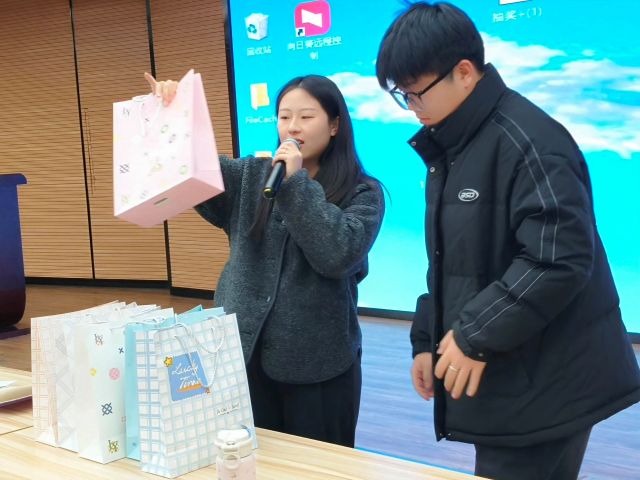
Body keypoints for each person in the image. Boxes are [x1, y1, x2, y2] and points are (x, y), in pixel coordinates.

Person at [375, 2, 640, 479]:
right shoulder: (455, 145)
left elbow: (557, 259)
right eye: (402, 95)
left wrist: (473, 335)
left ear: (464, 72)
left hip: (550, 382)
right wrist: (426, 340)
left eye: (415, 93)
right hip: (516, 371)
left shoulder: (530, 140)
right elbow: (452, 261)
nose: (411, 106)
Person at [147, 73, 385, 447]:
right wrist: (174, 114)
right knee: (251, 458)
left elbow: (337, 255)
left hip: (318, 368)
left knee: (316, 466)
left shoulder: (363, 193)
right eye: (284, 116)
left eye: (306, 117)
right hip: (241, 359)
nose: (293, 127)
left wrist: (295, 182)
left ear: (335, 125)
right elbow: (193, 170)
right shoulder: (251, 175)